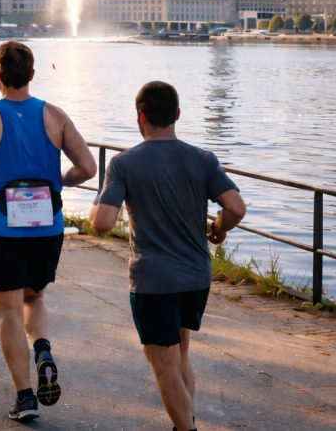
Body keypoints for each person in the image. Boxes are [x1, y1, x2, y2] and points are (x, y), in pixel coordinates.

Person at [89, 80, 247, 431]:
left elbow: (102, 223)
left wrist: (96, 206)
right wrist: (220, 228)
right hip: (196, 276)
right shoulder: (203, 159)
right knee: (180, 356)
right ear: (177, 114)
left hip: (153, 280)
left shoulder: (124, 163)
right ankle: (183, 423)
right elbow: (236, 206)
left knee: (163, 363)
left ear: (139, 116)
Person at [0, 40, 96, 422]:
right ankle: (44, 350)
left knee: (9, 311)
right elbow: (87, 167)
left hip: (3, 227)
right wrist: (57, 181)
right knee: (34, 297)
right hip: (47, 225)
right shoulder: (55, 115)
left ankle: (25, 397)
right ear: (32, 75)